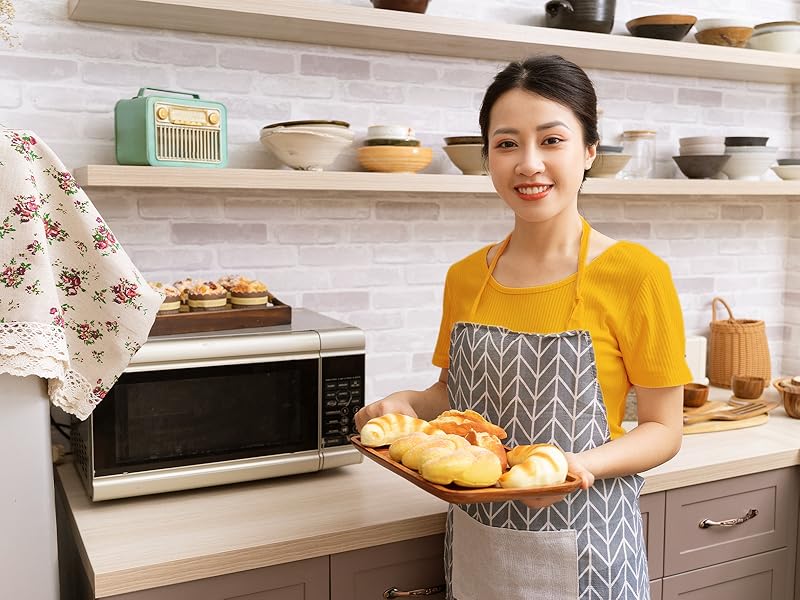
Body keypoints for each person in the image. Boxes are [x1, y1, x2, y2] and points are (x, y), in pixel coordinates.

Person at [354, 54, 691, 600]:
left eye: (552, 140)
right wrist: (409, 404)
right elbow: (453, 395)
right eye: (507, 143)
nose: (528, 164)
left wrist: (572, 467)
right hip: (478, 547)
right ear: (487, 156)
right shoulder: (466, 277)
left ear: (589, 152)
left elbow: (664, 430)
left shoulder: (636, 275)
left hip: (590, 546)